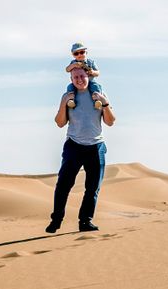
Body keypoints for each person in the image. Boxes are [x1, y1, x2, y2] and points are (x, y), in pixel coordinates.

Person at [49, 42, 118, 233]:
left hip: (96, 146)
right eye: (76, 76)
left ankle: (85, 221)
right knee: (63, 185)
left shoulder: (98, 94)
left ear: (87, 75)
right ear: (71, 78)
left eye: (82, 76)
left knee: (92, 188)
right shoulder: (69, 95)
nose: (79, 79)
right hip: (74, 145)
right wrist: (63, 104)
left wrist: (105, 104)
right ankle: (56, 220)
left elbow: (111, 122)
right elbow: (60, 123)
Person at [61, 42, 110, 111]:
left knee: (95, 86)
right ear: (73, 55)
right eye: (76, 53)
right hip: (77, 82)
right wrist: (74, 65)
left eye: (82, 52)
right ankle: (71, 100)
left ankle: (97, 101)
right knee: (70, 87)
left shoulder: (90, 62)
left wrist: (92, 72)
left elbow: (98, 73)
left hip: (90, 80)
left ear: (86, 53)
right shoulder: (73, 63)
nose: (79, 55)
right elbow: (67, 69)